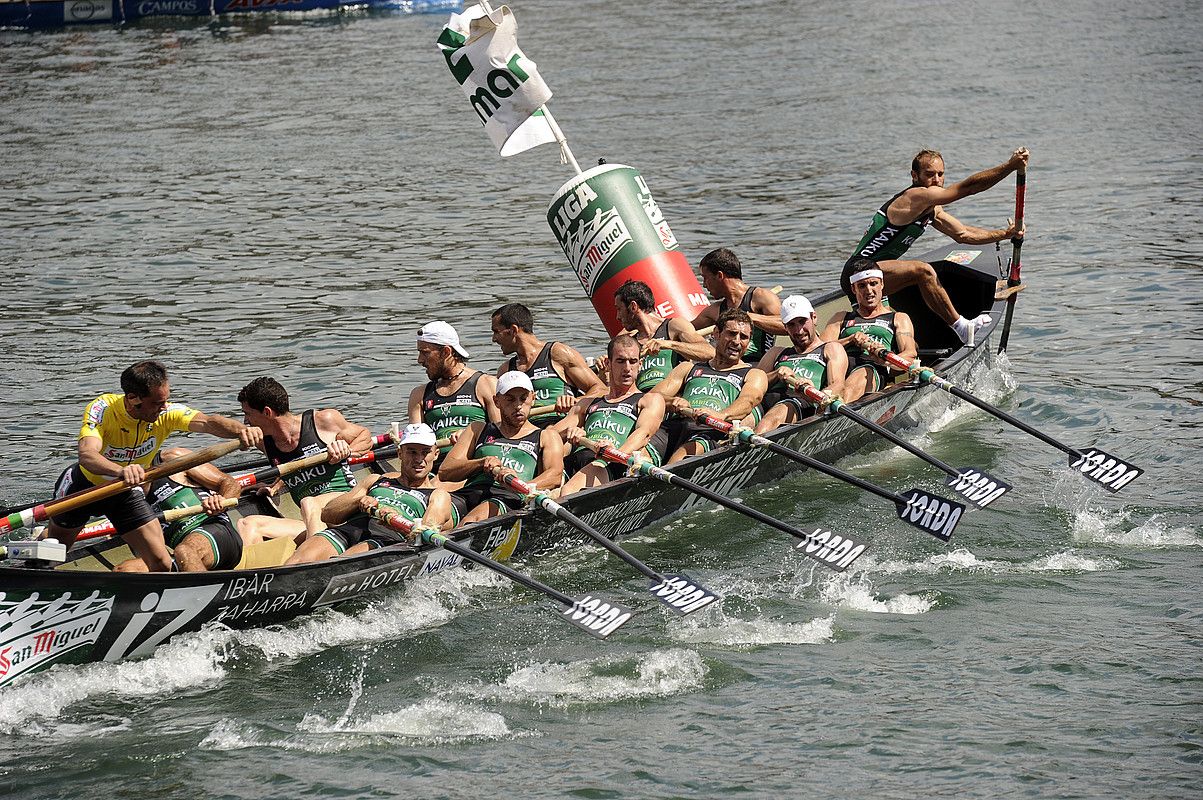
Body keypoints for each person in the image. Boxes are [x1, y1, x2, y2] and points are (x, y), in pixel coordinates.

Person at [44, 360, 262, 572]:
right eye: (157, 403)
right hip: (85, 486)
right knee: (52, 553)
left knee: (161, 563)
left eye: (166, 400)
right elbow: (87, 455)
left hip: (123, 492)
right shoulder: (103, 409)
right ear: (132, 399)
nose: (164, 407)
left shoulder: (166, 413)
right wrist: (121, 471)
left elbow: (208, 422)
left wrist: (240, 431)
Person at [841, 147, 1030, 343]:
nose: (937, 180)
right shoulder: (915, 197)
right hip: (857, 272)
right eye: (929, 175)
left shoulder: (931, 209)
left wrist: (1006, 234)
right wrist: (1009, 166)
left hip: (878, 274)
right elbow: (968, 188)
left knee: (905, 342)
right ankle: (962, 327)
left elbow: (963, 234)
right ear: (915, 176)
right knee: (923, 271)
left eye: (941, 174)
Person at [286, 424, 456, 565]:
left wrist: (396, 520)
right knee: (297, 561)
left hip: (385, 540)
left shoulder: (438, 495)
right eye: (412, 452)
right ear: (399, 454)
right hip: (350, 529)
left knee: (339, 565)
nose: (419, 459)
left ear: (436, 454)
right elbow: (328, 514)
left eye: (425, 452)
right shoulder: (375, 479)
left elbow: (424, 536)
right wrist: (359, 501)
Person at [237, 376, 372, 540]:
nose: (245, 420)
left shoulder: (322, 421)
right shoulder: (264, 442)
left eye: (248, 414)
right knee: (248, 524)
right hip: (310, 519)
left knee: (309, 503)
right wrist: (276, 484)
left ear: (267, 412)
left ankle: (317, 561)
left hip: (344, 509)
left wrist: (347, 450)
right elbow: (294, 463)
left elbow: (365, 436)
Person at [440, 371, 565, 524]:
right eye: (510, 399)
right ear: (497, 401)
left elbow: (555, 476)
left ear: (533, 398)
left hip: (509, 496)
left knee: (473, 520)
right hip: (470, 493)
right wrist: (480, 463)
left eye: (523, 398)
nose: (518, 406)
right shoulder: (477, 429)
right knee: (439, 504)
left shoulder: (547, 436)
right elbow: (445, 471)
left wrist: (518, 485)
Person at [652, 308, 769, 464]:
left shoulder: (754, 374)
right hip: (676, 425)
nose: (736, 341)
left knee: (679, 457)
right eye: (731, 334)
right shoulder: (688, 368)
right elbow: (652, 398)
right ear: (716, 333)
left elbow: (748, 402)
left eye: (744, 337)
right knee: (642, 451)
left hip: (712, 430)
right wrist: (671, 402)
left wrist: (721, 415)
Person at [557, 335, 667, 496]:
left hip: (610, 463)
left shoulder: (650, 400)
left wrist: (613, 454)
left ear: (640, 364)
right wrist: (571, 432)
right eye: (621, 361)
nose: (627, 368)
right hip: (579, 457)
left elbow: (643, 434)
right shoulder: (587, 403)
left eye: (633, 361)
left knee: (567, 492)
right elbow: (551, 435)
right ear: (608, 364)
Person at [114, 447, 249, 572]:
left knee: (184, 551)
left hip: (218, 532)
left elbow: (230, 483)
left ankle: (204, 595)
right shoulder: (115, 491)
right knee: (124, 570)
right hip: (182, 555)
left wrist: (222, 500)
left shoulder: (172, 458)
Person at [492, 302, 604, 428]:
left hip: (562, 427)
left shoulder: (557, 353)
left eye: (496, 331)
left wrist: (576, 402)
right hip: (527, 434)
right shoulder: (505, 371)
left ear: (513, 330)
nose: (493, 338)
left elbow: (601, 389)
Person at [755, 295, 850, 433]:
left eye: (802, 321)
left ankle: (754, 446)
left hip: (800, 403)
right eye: (792, 325)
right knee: (746, 415)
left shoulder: (830, 348)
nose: (799, 331)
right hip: (764, 404)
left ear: (814, 318)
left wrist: (816, 395)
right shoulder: (776, 352)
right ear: (785, 327)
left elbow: (838, 385)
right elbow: (753, 386)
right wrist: (776, 374)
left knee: (770, 420)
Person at [406, 320, 499, 461]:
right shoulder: (419, 395)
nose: (420, 360)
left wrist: (471, 435)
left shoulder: (485, 384)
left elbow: (502, 433)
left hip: (474, 464)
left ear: (446, 352)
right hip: (435, 467)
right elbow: (415, 447)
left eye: (425, 353)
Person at [822, 266, 918, 400]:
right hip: (838, 367)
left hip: (872, 366)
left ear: (882, 284)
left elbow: (910, 355)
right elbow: (819, 349)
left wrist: (884, 360)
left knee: (857, 379)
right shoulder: (841, 317)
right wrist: (850, 340)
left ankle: (840, 410)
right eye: (862, 286)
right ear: (853, 289)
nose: (869, 290)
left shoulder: (898, 318)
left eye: (873, 284)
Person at [611, 279, 714, 392]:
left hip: (670, 396)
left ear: (633, 307)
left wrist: (669, 344)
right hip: (641, 398)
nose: (617, 316)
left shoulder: (673, 326)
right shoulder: (629, 340)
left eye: (619, 309)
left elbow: (709, 353)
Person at [690, 248, 784, 365]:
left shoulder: (761, 297)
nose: (704, 284)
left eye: (705, 278)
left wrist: (747, 317)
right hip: (728, 368)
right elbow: (686, 329)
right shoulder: (715, 310)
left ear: (719, 275)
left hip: (760, 367)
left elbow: (787, 326)